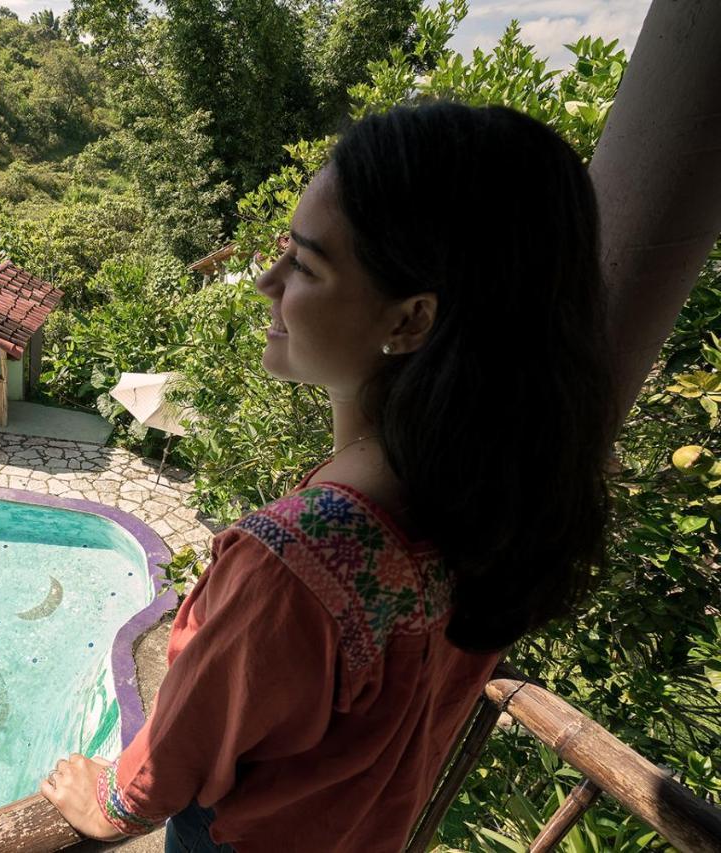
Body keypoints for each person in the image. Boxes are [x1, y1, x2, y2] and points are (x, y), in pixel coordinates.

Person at [38, 99, 621, 852]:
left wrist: (113, 800)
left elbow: (181, 751)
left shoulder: (298, 559)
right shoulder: (504, 490)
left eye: (305, 264)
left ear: (411, 320)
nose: (266, 283)